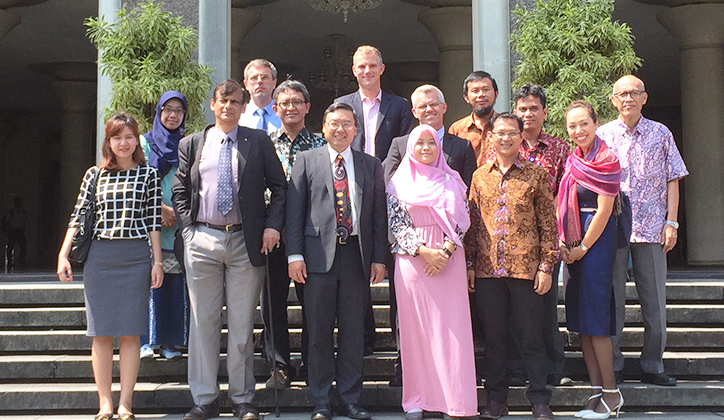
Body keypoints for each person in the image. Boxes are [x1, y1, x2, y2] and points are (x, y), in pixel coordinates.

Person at [172, 79, 287, 420]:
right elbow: (180, 188)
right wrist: (188, 228)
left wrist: (271, 225)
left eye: (236, 102)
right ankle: (205, 398)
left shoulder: (258, 141)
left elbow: (279, 187)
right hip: (202, 240)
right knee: (203, 322)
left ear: (243, 106)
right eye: (223, 101)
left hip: (245, 241)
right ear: (212, 104)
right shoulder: (193, 143)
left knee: (241, 324)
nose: (229, 107)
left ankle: (242, 398)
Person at [56, 113, 164, 420]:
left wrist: (157, 261)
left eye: (129, 137)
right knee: (100, 333)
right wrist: (64, 254)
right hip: (100, 258)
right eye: (118, 137)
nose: (124, 143)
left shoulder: (148, 175)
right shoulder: (95, 175)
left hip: (135, 257)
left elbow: (154, 222)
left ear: (137, 140)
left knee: (131, 333)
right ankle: (104, 402)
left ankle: (126, 402)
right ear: (109, 141)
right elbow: (78, 216)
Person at [286, 102, 387, 420]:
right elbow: (294, 211)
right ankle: (321, 399)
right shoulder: (306, 160)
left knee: (353, 331)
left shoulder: (370, 165)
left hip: (356, 256)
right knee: (317, 332)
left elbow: (378, 216)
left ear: (355, 130)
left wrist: (379, 258)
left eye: (346, 124)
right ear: (324, 128)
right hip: (317, 259)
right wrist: (295, 254)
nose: (340, 129)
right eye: (333, 124)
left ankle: (350, 397)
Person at [597, 75, 688, 387]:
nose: (628, 99)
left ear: (644, 98)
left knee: (654, 303)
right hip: (613, 228)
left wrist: (671, 222)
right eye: (622, 94)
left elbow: (673, 177)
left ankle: (652, 365)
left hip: (651, 228)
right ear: (613, 100)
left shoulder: (661, 133)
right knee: (613, 300)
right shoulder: (603, 135)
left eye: (634, 93)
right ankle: (615, 365)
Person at [465, 113, 557, 420]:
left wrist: (546, 265)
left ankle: (540, 400)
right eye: (500, 133)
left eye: (511, 133)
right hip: (488, 270)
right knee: (495, 339)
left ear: (521, 137)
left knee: (531, 338)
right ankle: (496, 400)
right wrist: (469, 265)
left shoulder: (536, 174)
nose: (505, 138)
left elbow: (548, 223)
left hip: (525, 270)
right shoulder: (479, 176)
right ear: (491, 137)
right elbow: (472, 224)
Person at [384, 83, 476, 387]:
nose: (425, 148)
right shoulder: (399, 169)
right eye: (422, 107)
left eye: (434, 105)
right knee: (415, 329)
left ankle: (452, 393)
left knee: (451, 330)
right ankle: (417, 391)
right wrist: (423, 252)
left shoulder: (455, 168)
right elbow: (394, 214)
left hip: (450, 258)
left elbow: (465, 214)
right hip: (413, 258)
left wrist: (445, 253)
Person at [335, 44, 415, 353]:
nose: (366, 71)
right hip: (350, 196)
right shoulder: (341, 104)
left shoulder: (399, 106)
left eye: (372, 66)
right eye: (360, 67)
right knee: (355, 271)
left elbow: (406, 151)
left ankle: (400, 344)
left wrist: (388, 183)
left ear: (382, 69)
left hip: (389, 194)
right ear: (353, 71)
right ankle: (363, 338)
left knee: (395, 270)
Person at [502, 84, 572, 387]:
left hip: (546, 241)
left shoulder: (559, 148)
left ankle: (554, 367)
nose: (528, 114)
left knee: (544, 306)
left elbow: (566, 192)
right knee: (515, 308)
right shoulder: (504, 146)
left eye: (533, 108)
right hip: (511, 245)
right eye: (522, 109)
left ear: (544, 112)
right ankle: (518, 368)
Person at [558, 101, 623, 419]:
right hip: (573, 242)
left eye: (584, 124)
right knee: (582, 320)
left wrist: (582, 247)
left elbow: (605, 210)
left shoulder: (606, 159)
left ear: (596, 123)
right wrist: (565, 241)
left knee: (597, 320)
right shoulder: (574, 159)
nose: (578, 131)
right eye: (572, 126)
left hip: (595, 243)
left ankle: (612, 394)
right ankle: (596, 391)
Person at [263, 80, 326, 389]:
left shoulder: (320, 145)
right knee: (273, 302)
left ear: (307, 107)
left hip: (310, 238)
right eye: (284, 103)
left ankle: (311, 362)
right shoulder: (264, 143)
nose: (291, 107)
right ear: (275, 109)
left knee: (312, 303)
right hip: (273, 238)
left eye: (297, 102)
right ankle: (279, 365)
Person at [138, 90, 190, 361]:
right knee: (149, 282)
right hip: (150, 224)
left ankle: (170, 342)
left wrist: (178, 214)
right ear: (158, 112)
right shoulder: (144, 144)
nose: (173, 115)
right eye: (167, 109)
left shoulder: (189, 145)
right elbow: (139, 180)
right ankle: (145, 341)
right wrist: (159, 208)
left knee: (174, 284)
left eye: (178, 110)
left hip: (179, 226)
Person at [448, 71, 499, 166]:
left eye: (486, 89)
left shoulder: (507, 127)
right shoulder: (456, 129)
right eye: (475, 91)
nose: (481, 95)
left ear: (496, 94)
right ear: (466, 97)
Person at [238, 58, 282, 133]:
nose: (259, 81)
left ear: (274, 83)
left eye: (264, 77)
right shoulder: (238, 115)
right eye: (254, 78)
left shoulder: (283, 115)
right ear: (246, 84)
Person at [2, 196, 26, 271]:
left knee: (23, 247)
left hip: (20, 230)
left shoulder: (23, 212)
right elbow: (7, 221)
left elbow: (24, 222)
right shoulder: (11, 212)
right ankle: (9, 262)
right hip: (13, 231)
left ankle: (21, 261)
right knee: (10, 247)